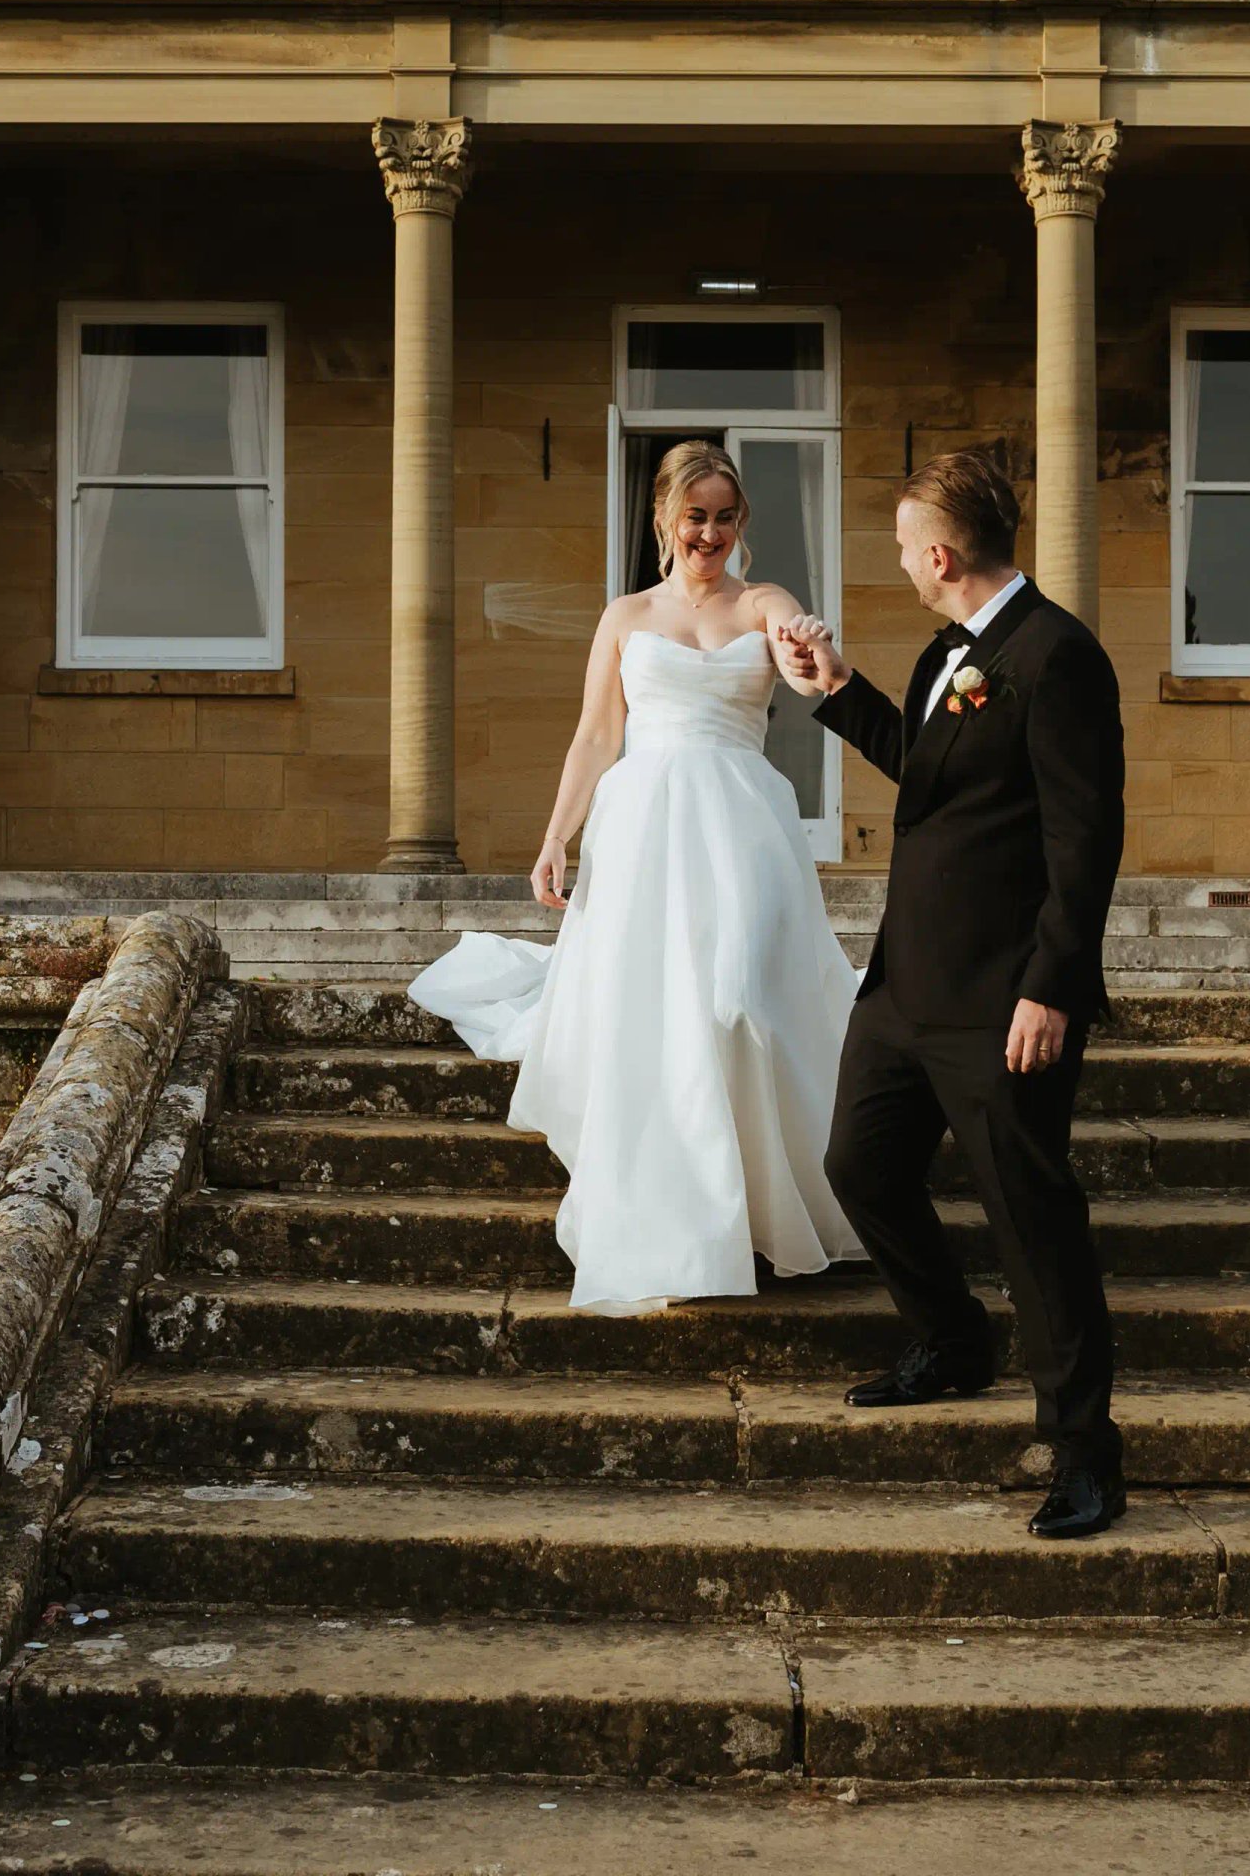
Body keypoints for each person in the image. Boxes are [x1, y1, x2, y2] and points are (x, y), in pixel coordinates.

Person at [408, 440, 864, 1311]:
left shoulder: (765, 601)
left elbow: (805, 673)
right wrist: (556, 837)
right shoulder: (624, 617)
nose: (711, 533)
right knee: (665, 1009)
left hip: (744, 823)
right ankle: (695, 1222)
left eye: (726, 517)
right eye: (696, 517)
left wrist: (807, 651)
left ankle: (771, 1205)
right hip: (644, 826)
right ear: (663, 517)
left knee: (738, 999)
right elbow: (594, 735)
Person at [778, 446, 1128, 1541]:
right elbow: (932, 780)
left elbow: (1087, 841)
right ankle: (953, 1341)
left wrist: (1052, 988)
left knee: (1033, 1221)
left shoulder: (1059, 654)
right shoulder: (945, 654)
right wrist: (835, 690)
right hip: (903, 989)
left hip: (1003, 1000)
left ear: (940, 553)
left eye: (899, 545)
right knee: (857, 1166)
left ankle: (1085, 1455)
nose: (897, 562)